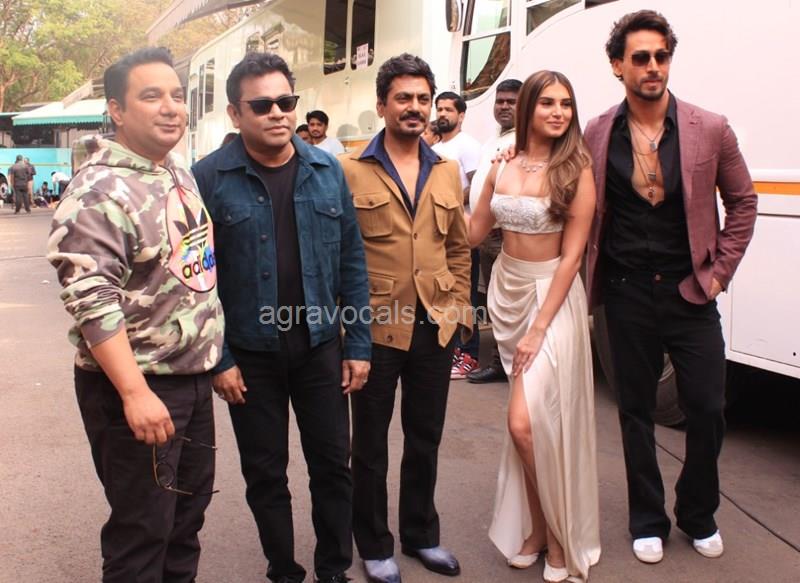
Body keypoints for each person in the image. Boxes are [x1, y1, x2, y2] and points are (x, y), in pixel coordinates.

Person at [583, 10, 757, 564]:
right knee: (634, 410)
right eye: (641, 58)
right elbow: (567, 186)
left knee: (706, 406)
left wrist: (719, 273)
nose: (653, 66)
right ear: (618, 66)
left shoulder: (711, 127)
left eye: (662, 56)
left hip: (691, 291)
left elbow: (743, 202)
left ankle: (698, 512)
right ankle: (647, 519)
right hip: (626, 290)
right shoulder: (597, 131)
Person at [46, 47, 224, 583]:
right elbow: (91, 298)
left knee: (185, 522)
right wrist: (134, 393)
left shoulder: (177, 172)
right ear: (117, 111)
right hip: (140, 386)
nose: (171, 107)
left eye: (177, 95)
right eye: (151, 96)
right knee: (142, 533)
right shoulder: (98, 190)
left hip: (190, 382)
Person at [192, 52, 371, 583]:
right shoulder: (208, 179)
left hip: (320, 348)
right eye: (262, 104)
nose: (277, 112)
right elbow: (198, 281)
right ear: (235, 113)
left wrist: (358, 344)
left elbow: (352, 261)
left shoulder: (327, 171)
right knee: (265, 473)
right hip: (250, 357)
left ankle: (333, 568)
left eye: (286, 101)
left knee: (333, 467)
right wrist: (220, 358)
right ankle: (284, 570)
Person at [339, 53, 472, 583]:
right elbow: (338, 254)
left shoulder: (447, 170)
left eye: (422, 98)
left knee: (425, 437)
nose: (414, 107)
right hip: (375, 327)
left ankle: (421, 535)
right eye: (403, 98)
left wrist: (459, 309)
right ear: (382, 105)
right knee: (369, 445)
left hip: (434, 327)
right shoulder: (348, 168)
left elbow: (458, 248)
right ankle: (374, 544)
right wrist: (346, 329)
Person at [469, 70, 600, 582]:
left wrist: (540, 327)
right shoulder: (502, 160)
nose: (558, 112)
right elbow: (474, 232)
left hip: (552, 298)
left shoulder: (576, 169)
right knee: (531, 428)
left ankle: (559, 535)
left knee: (526, 424)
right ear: (527, 107)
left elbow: (573, 257)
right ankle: (541, 529)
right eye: (547, 103)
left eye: (566, 104)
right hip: (507, 290)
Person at [466, 78, 521, 384]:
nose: (504, 106)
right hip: (486, 236)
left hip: (507, 236)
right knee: (494, 303)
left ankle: (511, 364)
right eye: (500, 101)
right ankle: (501, 362)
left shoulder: (525, 140)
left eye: (511, 101)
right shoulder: (492, 140)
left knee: (512, 304)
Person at [431, 91, 483, 379]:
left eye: (448, 109)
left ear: (461, 115)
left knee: (466, 293)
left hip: (462, 232)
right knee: (445, 293)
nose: (442, 114)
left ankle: (469, 355)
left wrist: (446, 201)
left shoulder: (468, 145)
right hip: (437, 234)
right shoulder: (436, 146)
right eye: (439, 108)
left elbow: (477, 188)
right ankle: (453, 350)